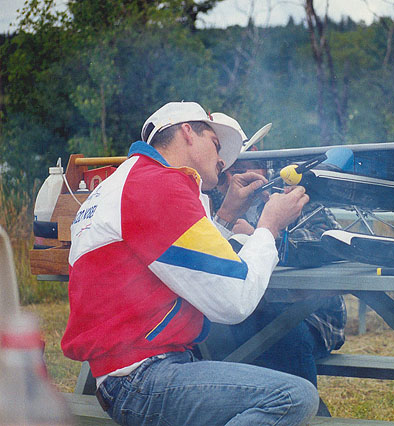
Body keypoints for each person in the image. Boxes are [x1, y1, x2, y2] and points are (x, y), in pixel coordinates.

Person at [61, 101, 319, 425]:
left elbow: (179, 264)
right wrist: (270, 225)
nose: (223, 160)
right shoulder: (158, 185)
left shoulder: (125, 182)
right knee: (293, 397)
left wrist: (225, 215)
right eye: (215, 144)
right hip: (141, 378)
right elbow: (234, 300)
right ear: (187, 133)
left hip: (121, 372)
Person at [206, 148, 347, 392]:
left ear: (264, 169)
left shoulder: (292, 193)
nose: (232, 180)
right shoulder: (215, 207)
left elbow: (326, 242)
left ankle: (304, 411)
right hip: (249, 315)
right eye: (224, 174)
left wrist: (257, 235)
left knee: (280, 332)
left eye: (241, 170)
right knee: (211, 332)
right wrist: (223, 222)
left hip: (312, 316)